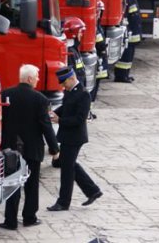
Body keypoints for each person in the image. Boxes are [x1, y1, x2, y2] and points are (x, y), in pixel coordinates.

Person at [0, 64, 60, 230]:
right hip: (32, 149)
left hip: (10, 149)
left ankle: (10, 221)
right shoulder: (41, 99)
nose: (38, 80)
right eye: (37, 77)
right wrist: (54, 149)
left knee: (12, 184)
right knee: (31, 186)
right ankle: (29, 217)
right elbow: (46, 126)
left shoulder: (5, 95)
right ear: (30, 79)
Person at [47, 67, 102, 211]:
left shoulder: (84, 95)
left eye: (64, 83)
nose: (63, 86)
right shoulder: (69, 91)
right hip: (67, 135)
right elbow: (65, 108)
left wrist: (60, 120)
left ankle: (63, 202)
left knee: (67, 169)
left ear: (72, 79)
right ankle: (92, 190)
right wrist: (53, 113)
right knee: (69, 164)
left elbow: (79, 119)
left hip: (75, 137)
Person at [114, 0, 142, 82]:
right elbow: (125, 16)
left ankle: (125, 74)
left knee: (130, 55)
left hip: (133, 33)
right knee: (125, 55)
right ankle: (121, 76)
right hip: (129, 33)